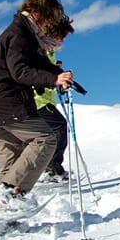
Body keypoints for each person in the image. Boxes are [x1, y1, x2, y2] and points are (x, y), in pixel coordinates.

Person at [0, 0, 74, 211]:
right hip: (8, 104)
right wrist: (54, 78)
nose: (50, 22)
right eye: (49, 16)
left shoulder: (25, 34)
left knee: (11, 163)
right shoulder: (19, 34)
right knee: (46, 139)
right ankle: (12, 193)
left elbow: (38, 64)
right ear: (36, 12)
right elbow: (21, 71)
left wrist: (57, 76)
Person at [34, 17, 75, 183]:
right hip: (37, 99)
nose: (62, 40)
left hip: (45, 98)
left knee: (54, 131)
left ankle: (48, 168)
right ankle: (52, 169)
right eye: (61, 35)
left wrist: (59, 76)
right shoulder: (40, 48)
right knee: (59, 127)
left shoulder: (50, 50)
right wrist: (55, 76)